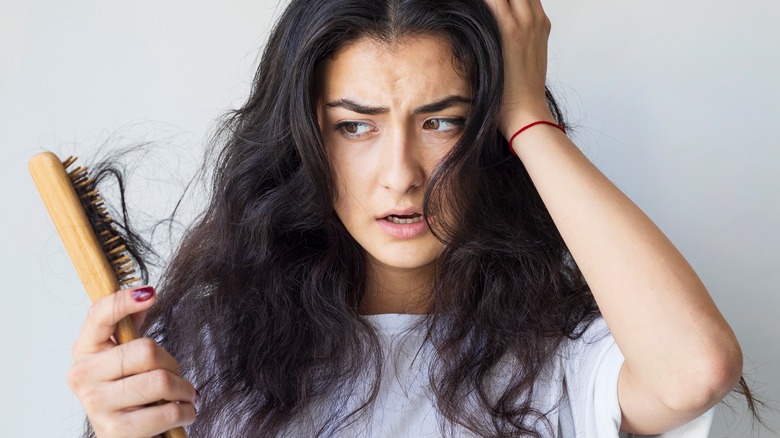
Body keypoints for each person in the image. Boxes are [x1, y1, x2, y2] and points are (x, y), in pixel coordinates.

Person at [65, 0, 752, 436]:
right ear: (303, 140)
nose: (402, 174)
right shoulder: (203, 358)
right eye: (354, 127)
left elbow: (696, 369)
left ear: (489, 136)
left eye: (442, 121)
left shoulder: (571, 357)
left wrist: (526, 112)